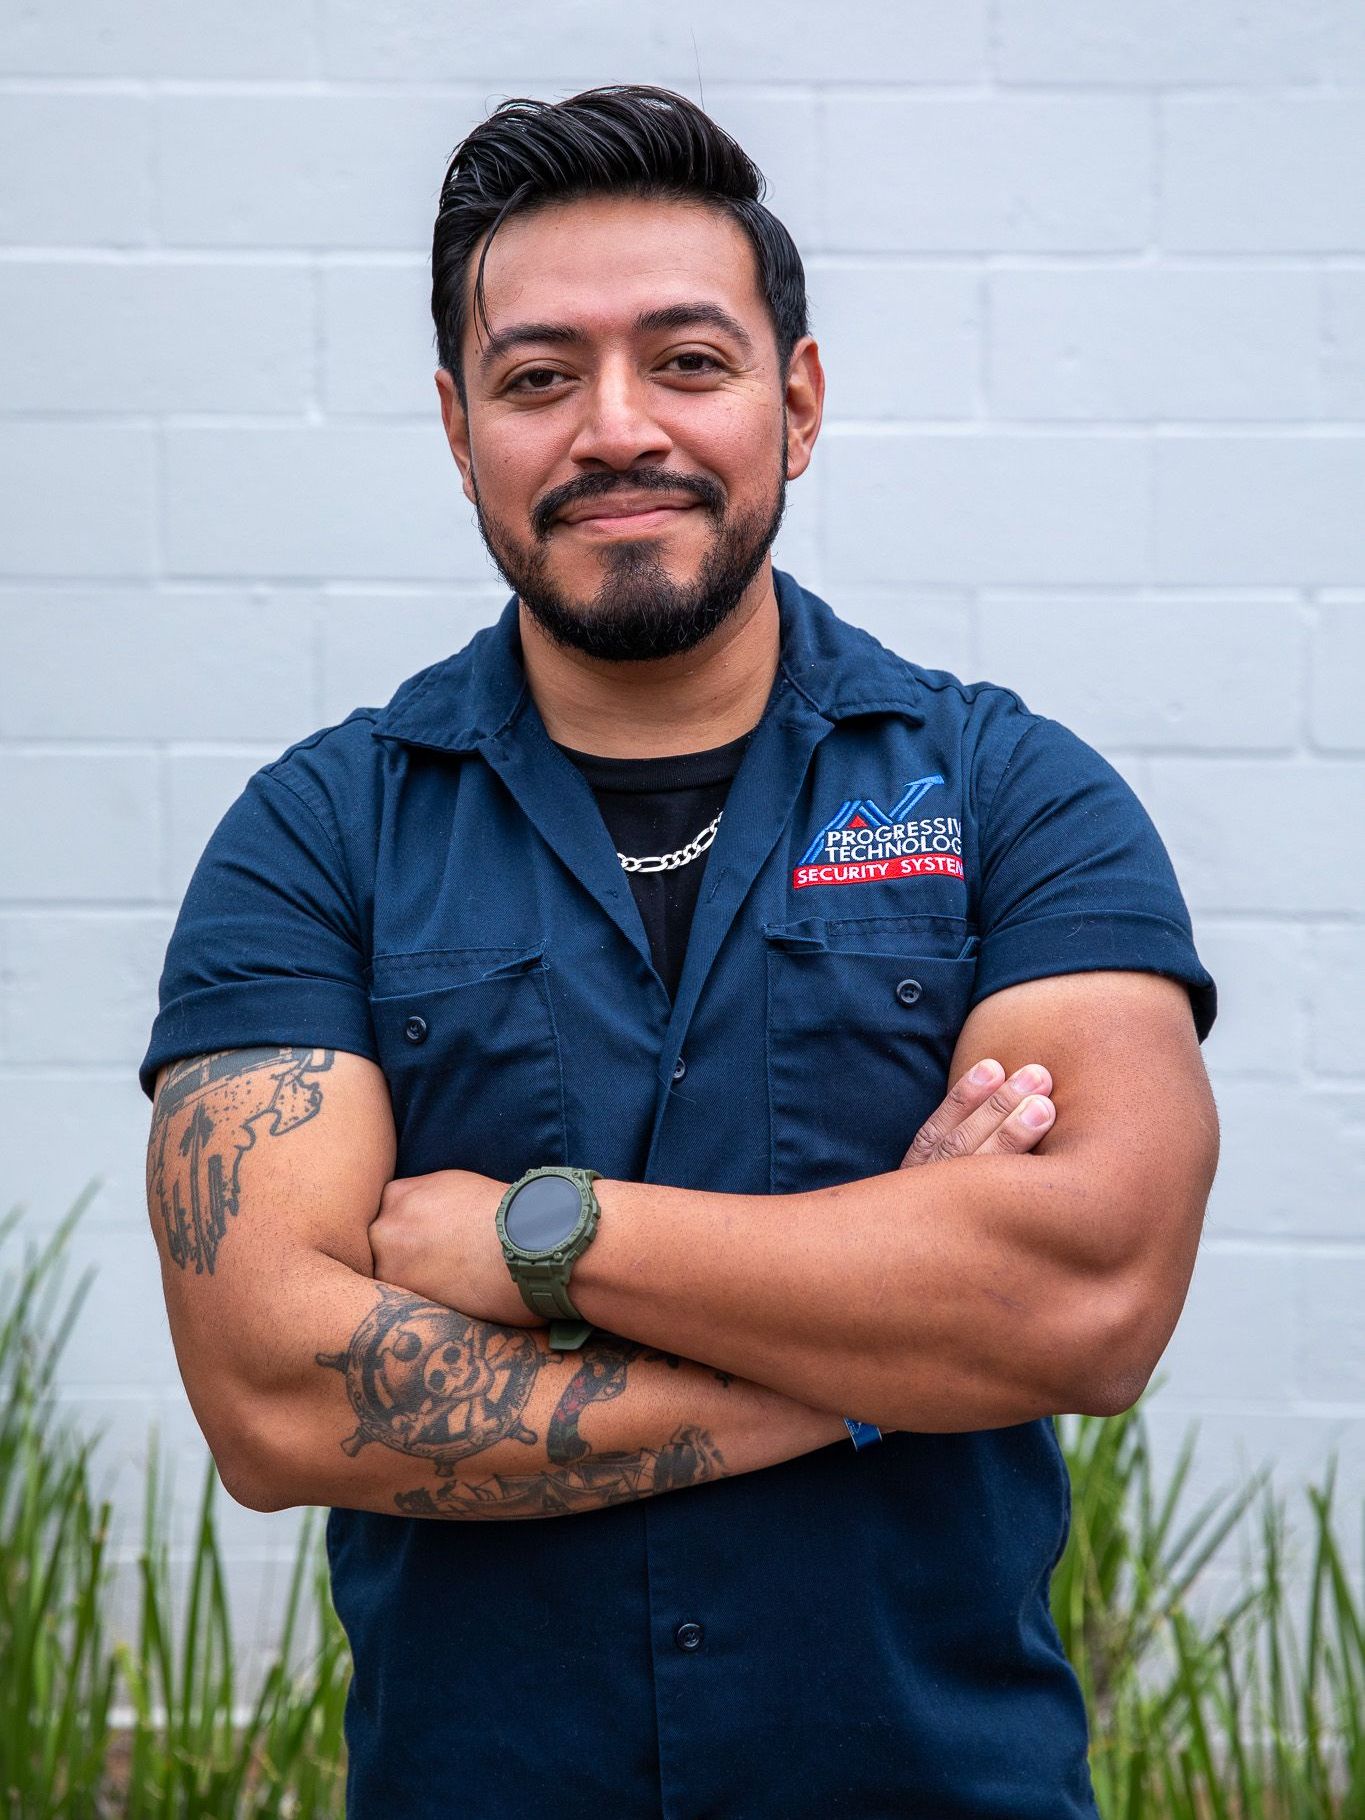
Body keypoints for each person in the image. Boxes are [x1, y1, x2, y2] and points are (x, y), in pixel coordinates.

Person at [140, 85, 1220, 1820]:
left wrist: (531, 1238)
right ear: (455, 423)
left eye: (689, 363)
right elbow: (277, 1396)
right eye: (539, 376)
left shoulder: (1011, 793)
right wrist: (880, 1367)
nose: (613, 428)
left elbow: (1081, 1301)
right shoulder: (319, 839)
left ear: (795, 401)